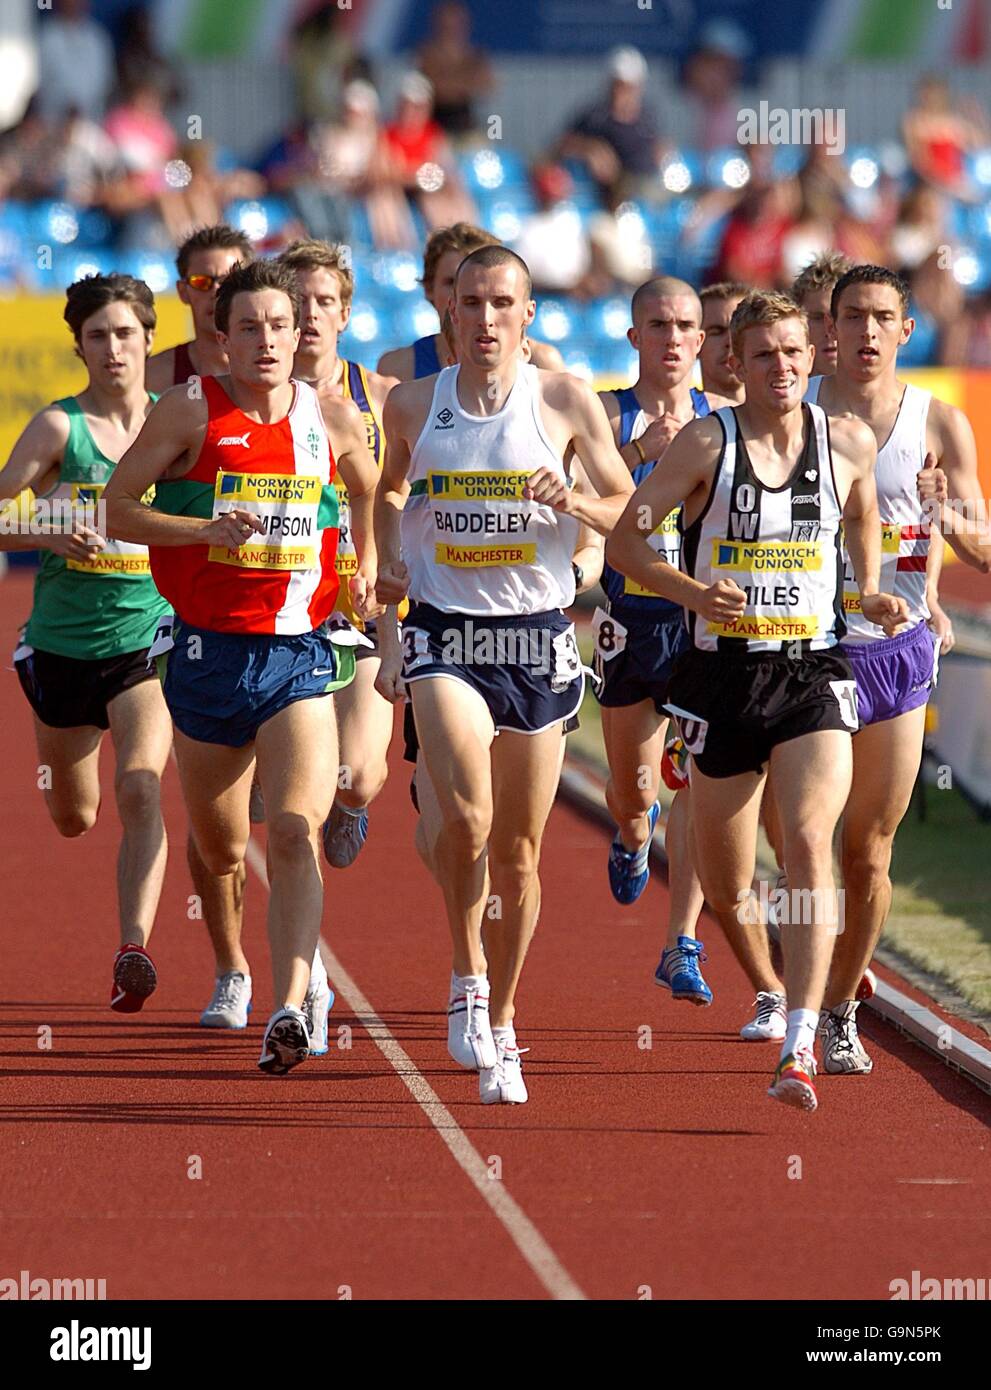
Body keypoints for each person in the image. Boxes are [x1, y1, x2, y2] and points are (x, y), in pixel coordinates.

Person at [606, 289, 909, 1112]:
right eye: (762, 355)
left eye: (792, 351)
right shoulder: (708, 442)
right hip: (720, 680)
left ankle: (801, 1040)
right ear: (733, 364)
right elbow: (627, 539)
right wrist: (690, 593)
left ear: (814, 355)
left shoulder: (844, 441)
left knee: (811, 841)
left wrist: (868, 593)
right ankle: (765, 984)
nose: (781, 367)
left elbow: (862, 517)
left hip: (811, 672)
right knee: (731, 879)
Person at [104, 259, 381, 1075]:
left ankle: (291, 1004)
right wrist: (203, 534)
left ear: (303, 335)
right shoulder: (191, 409)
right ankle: (232, 967)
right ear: (219, 339)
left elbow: (368, 488)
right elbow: (118, 506)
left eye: (280, 326)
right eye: (248, 328)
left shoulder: (329, 416)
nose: (266, 341)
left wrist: (361, 566)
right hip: (205, 652)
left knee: (295, 831)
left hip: (298, 651)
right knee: (222, 849)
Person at [373, 245, 633, 1104]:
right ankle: (466, 976)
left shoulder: (563, 401)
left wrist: (574, 504)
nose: (484, 320)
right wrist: (389, 575)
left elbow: (630, 507)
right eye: (470, 303)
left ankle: (508, 1023)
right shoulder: (414, 402)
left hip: (537, 638)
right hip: (447, 634)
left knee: (520, 857)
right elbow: (382, 491)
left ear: (528, 316)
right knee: (471, 820)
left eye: (501, 305)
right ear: (449, 312)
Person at [805, 265, 975, 1073]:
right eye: (852, 317)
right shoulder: (792, 411)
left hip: (894, 650)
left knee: (867, 848)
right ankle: (792, 983)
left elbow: (979, 542)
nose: (866, 332)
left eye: (882, 318)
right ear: (828, 329)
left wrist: (945, 512)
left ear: (906, 330)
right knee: (798, 837)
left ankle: (836, 1008)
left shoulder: (938, 423)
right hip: (800, 647)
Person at [0, 274, 172, 1011]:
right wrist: (44, 530)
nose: (112, 348)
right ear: (79, 345)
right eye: (97, 336)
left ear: (147, 339)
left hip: (149, 638)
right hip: (65, 644)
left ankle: (133, 946)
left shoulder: (178, 424)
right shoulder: (57, 429)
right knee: (75, 816)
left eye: (125, 334)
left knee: (141, 784)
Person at [593, 276, 727, 1005]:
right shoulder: (601, 416)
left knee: (701, 782)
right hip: (630, 622)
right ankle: (630, 833)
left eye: (683, 326)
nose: (671, 338)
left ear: (700, 340)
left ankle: (681, 942)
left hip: (700, 623)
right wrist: (643, 447)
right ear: (633, 336)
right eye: (656, 325)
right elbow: (580, 502)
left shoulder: (724, 421)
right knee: (632, 790)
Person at [278, 238, 401, 867]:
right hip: (285, 599)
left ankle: (351, 805)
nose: (311, 313)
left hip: (364, 601)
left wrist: (385, 566)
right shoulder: (255, 398)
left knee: (358, 774)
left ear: (344, 314)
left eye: (324, 300)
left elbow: (408, 491)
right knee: (293, 794)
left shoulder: (382, 396)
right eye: (298, 300)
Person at [377, 223, 565, 380]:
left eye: (478, 284)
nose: (462, 294)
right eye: (451, 282)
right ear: (428, 289)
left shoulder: (541, 361)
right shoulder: (399, 368)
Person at [146, 224, 254, 394]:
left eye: (228, 280)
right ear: (183, 291)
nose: (216, 291)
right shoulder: (155, 377)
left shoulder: (278, 366)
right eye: (201, 282)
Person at [555, 46, 663, 204]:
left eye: (629, 87)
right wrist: (589, 149)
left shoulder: (648, 116)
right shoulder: (594, 116)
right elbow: (561, 145)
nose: (623, 92)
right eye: (619, 85)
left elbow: (657, 149)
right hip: (608, 198)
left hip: (646, 193)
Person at [416, 0, 495, 141]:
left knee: (483, 149)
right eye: (446, 24)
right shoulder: (426, 55)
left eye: (456, 23)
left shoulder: (475, 55)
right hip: (434, 128)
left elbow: (487, 86)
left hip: (466, 125)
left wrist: (452, 83)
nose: (451, 28)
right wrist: (462, 83)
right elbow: (431, 88)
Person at [790, 251, 854, 379]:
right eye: (818, 318)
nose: (829, 330)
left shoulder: (895, 397)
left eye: (839, 316)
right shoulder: (774, 396)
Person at [699, 282, 748, 404]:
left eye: (739, 330)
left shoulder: (788, 417)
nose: (730, 342)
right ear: (697, 341)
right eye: (717, 332)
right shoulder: (681, 420)